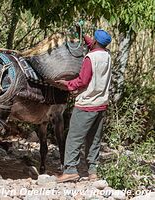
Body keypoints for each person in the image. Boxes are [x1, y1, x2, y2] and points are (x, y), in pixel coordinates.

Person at [55, 29, 112, 183]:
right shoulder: (106, 56)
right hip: (101, 105)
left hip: (86, 104)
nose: (90, 40)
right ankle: (92, 171)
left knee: (74, 138)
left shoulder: (90, 58)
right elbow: (95, 46)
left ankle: (70, 170)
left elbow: (82, 81)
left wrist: (67, 84)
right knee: (94, 139)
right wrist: (82, 34)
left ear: (95, 41)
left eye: (92, 38)